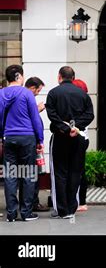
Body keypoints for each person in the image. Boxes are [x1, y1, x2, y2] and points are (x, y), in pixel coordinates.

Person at [45, 66, 94, 219]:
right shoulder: (83, 94)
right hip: (77, 136)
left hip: (60, 136)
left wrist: (64, 128)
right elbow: (90, 115)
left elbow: (51, 114)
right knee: (75, 172)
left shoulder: (53, 93)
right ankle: (72, 207)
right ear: (73, 77)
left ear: (59, 76)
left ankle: (62, 209)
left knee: (59, 173)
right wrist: (75, 127)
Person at [0, 65, 44, 222]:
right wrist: (40, 139)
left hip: (9, 138)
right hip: (27, 138)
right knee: (28, 174)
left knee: (10, 175)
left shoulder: (1, 94)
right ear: (18, 76)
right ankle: (26, 213)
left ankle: (11, 214)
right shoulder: (26, 93)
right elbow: (34, 118)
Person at [24, 77, 49, 212]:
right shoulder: (28, 98)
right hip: (31, 141)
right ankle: (32, 203)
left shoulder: (18, 97)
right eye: (38, 90)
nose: (38, 93)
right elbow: (33, 121)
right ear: (33, 88)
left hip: (16, 140)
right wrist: (40, 140)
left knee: (22, 172)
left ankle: (25, 203)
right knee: (34, 172)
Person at [72, 79, 90, 212]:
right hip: (84, 137)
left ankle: (78, 201)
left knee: (75, 170)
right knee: (80, 170)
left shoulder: (77, 101)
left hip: (77, 136)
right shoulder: (85, 100)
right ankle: (81, 201)